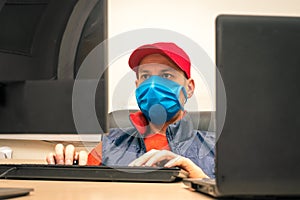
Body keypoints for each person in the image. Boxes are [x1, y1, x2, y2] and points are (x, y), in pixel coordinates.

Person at [46, 42, 215, 178]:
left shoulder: (217, 148)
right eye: (146, 77)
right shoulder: (109, 144)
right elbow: (80, 190)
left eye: (166, 76)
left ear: (190, 87)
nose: (153, 85)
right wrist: (66, 166)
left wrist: (201, 180)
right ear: (137, 86)